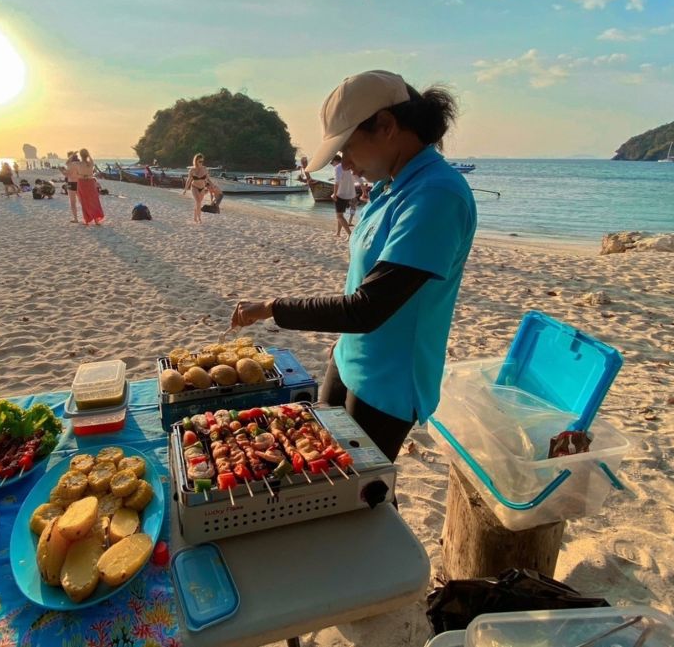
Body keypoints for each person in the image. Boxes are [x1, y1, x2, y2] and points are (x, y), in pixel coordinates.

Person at [230, 70, 476, 463]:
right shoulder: (390, 185)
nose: (344, 164)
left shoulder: (435, 195)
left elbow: (367, 308)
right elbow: (363, 281)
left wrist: (272, 308)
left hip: (387, 383)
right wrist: (342, 346)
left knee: (354, 484)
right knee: (320, 463)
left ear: (386, 126)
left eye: (346, 148)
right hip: (349, 356)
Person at [330, 153, 357, 237]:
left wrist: (334, 194)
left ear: (336, 161)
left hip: (340, 195)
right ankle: (338, 233)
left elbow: (336, 182)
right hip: (347, 195)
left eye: (332, 162)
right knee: (340, 215)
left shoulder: (337, 168)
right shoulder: (348, 168)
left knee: (339, 216)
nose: (332, 165)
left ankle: (350, 234)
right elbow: (355, 179)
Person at [75, 148, 105, 225]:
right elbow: (91, 161)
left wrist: (82, 175)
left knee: (84, 201)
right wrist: (89, 155)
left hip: (82, 182)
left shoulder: (78, 164)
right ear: (87, 155)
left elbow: (76, 174)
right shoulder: (91, 163)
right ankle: (96, 220)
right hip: (90, 182)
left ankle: (87, 220)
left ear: (80, 155)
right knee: (94, 201)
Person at [183, 153, 211, 224]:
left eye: (202, 161)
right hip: (194, 187)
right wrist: (185, 190)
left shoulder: (205, 169)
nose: (201, 163)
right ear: (196, 161)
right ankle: (199, 218)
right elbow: (188, 180)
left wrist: (211, 186)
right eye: (200, 161)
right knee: (198, 202)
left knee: (198, 203)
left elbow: (208, 179)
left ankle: (195, 218)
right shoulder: (192, 170)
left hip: (202, 188)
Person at [64, 151, 81, 222]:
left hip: (71, 183)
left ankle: (76, 219)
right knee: (82, 201)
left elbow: (67, 174)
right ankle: (87, 217)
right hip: (79, 183)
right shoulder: (80, 164)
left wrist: (63, 171)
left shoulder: (70, 164)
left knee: (73, 202)